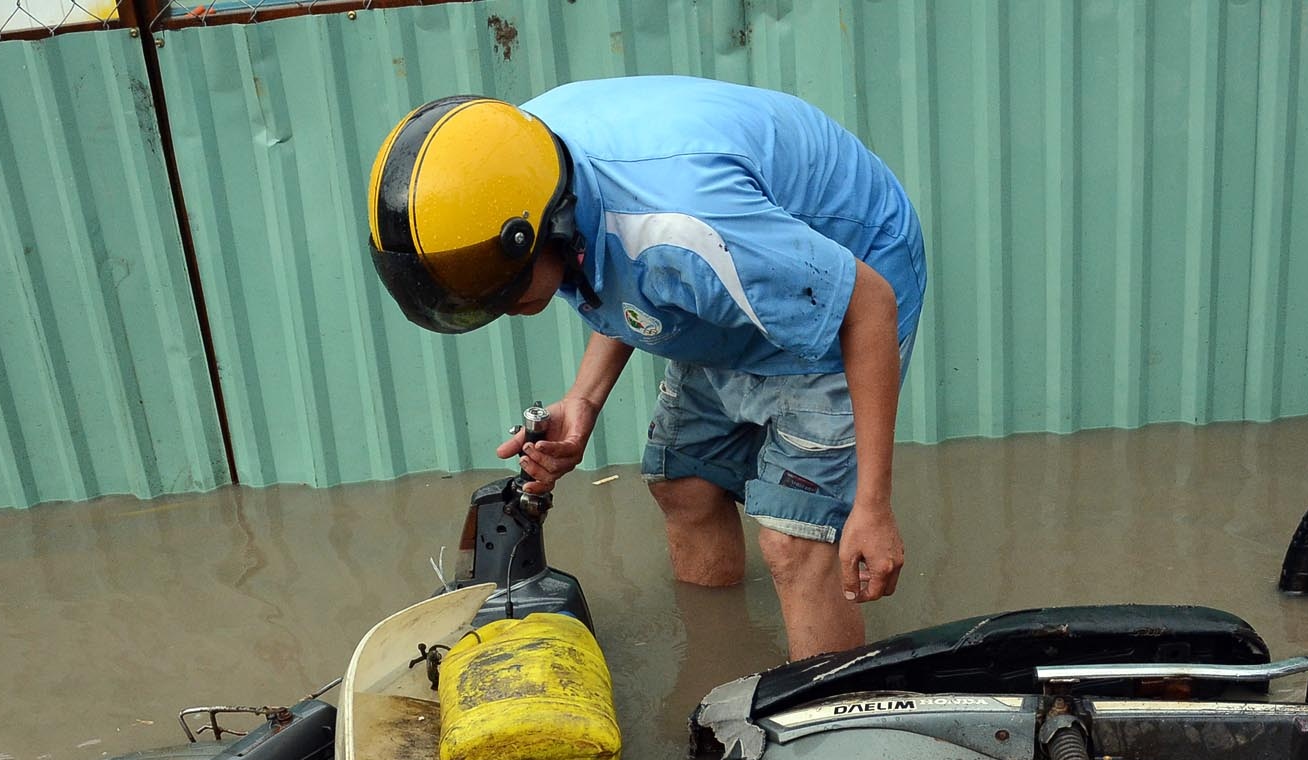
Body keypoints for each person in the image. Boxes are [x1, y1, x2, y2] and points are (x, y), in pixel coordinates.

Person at [365, 75, 925, 660]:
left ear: (547, 228)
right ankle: (716, 664)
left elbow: (869, 305)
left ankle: (821, 732)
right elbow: (617, 271)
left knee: (792, 544)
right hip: (743, 264)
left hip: (847, 284)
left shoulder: (686, 229)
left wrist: (872, 505)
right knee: (682, 484)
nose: (505, 309)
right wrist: (584, 398)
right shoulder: (513, 161)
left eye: (504, 291)